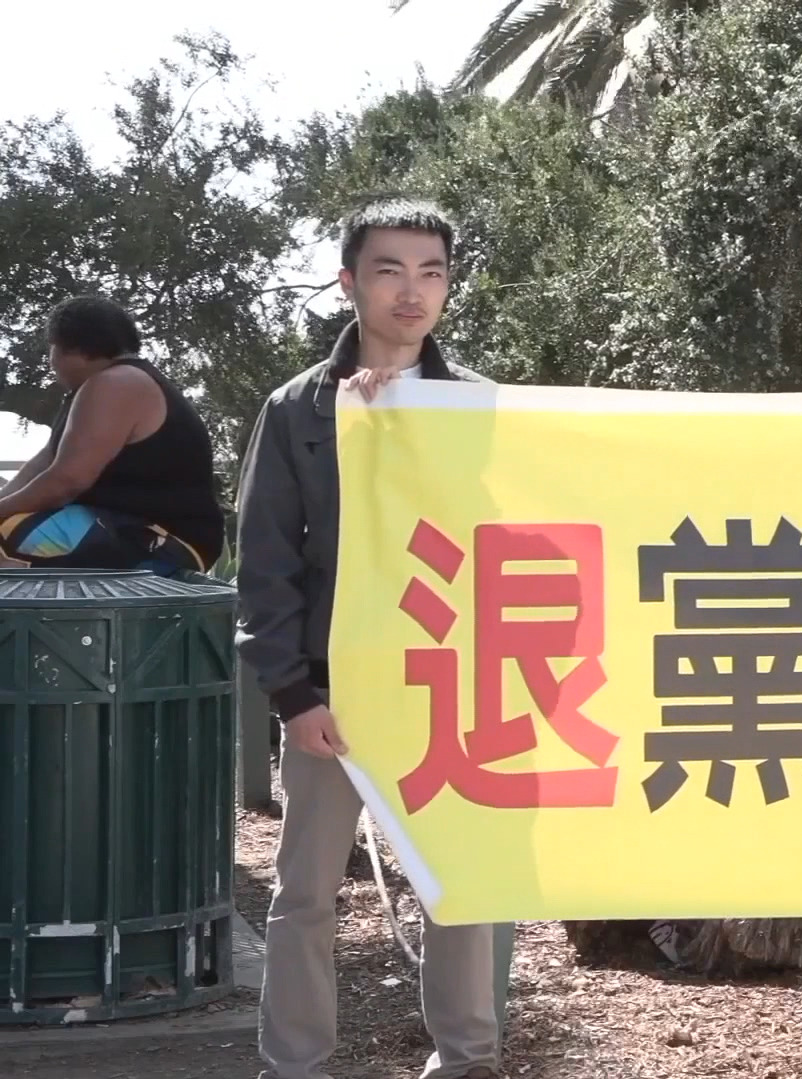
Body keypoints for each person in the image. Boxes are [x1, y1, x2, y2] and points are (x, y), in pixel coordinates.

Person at [234, 196, 501, 1079]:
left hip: (444, 684)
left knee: (456, 882)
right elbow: (265, 562)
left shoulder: (477, 405)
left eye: (431, 272)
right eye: (390, 271)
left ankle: (467, 1057)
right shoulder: (296, 407)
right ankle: (295, 1064)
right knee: (306, 894)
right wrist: (292, 694)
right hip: (330, 693)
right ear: (349, 281)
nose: (412, 291)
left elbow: (508, 535)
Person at [0, 295, 223, 576]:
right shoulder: (100, 387)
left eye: (52, 349)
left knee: (14, 534)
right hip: (127, 530)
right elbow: (43, 464)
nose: (51, 363)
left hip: (163, 541)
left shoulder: (116, 383)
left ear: (70, 348)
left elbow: (66, 482)